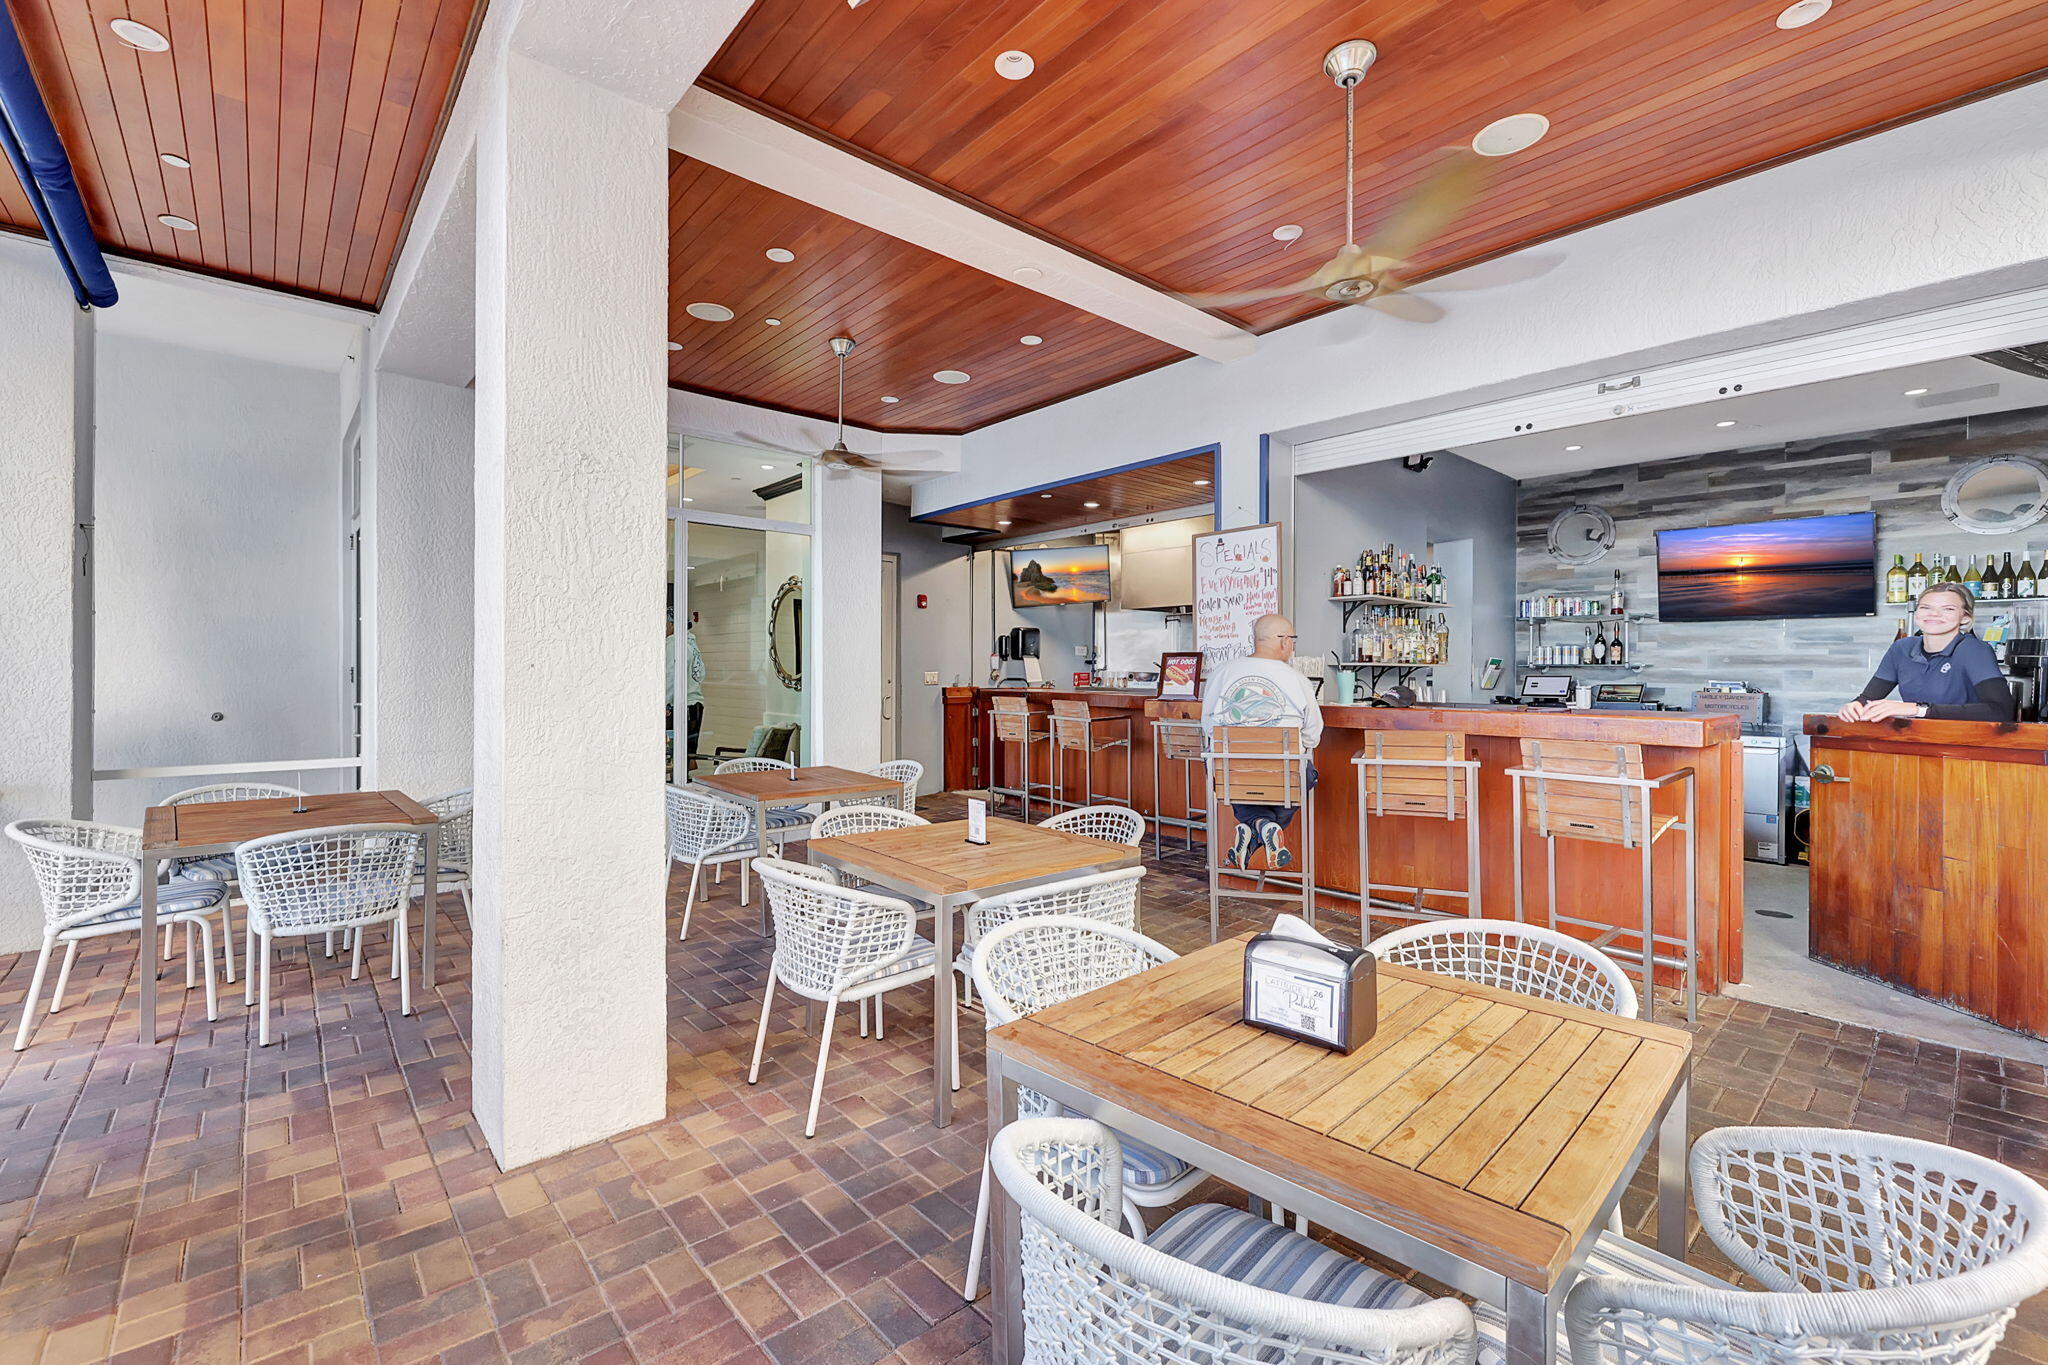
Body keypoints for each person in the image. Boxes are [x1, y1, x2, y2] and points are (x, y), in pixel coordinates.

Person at [1200, 613, 1321, 869]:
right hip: (1284, 775)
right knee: (1305, 775)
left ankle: (1255, 826)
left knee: (1240, 781)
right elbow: (1313, 734)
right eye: (1293, 639)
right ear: (1284, 641)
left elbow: (1208, 726)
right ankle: (1265, 827)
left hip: (1230, 774)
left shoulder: (1222, 673)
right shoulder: (1298, 680)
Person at [1837, 581, 2016, 723]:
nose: (1934, 614)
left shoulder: (1974, 650)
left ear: (1965, 617)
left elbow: (2001, 711)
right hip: (1917, 744)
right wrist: (1854, 706)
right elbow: (1867, 698)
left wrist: (1917, 709)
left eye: (1948, 609)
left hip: (1967, 750)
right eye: (1926, 607)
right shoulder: (1901, 648)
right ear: (1916, 613)